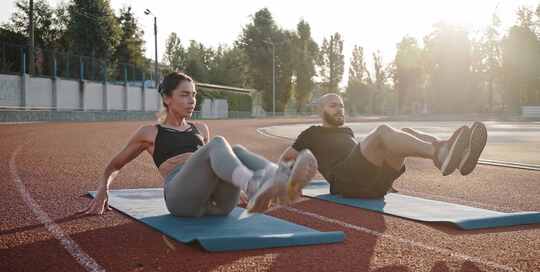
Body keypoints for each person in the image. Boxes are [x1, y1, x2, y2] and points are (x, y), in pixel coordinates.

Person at [81, 72, 317, 216]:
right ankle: (255, 184)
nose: (192, 100)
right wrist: (103, 188)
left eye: (194, 95)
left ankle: (283, 180)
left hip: (217, 205)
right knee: (218, 144)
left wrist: (234, 183)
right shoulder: (150, 133)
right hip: (180, 199)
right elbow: (115, 165)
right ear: (167, 98)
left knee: (236, 151)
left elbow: (217, 165)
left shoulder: (201, 129)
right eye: (184, 94)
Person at [279, 93, 488, 199]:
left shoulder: (347, 132)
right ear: (321, 110)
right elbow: (286, 159)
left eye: (342, 106)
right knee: (382, 131)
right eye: (333, 105)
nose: (339, 109)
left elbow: (364, 157)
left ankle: (456, 156)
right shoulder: (311, 133)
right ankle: (440, 153)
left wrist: (387, 185)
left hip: (373, 181)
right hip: (345, 181)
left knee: (404, 133)